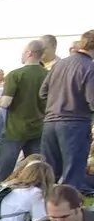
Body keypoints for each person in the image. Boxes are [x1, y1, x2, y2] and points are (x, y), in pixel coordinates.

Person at [38, 29, 94, 194]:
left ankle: (45, 210)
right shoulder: (89, 67)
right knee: (72, 173)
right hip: (75, 124)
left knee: (49, 173)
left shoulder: (59, 64)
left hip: (50, 123)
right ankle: (67, 212)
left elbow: (43, 92)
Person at [0, 40, 48, 182]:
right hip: (38, 128)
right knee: (36, 171)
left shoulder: (15, 74)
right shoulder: (47, 74)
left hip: (15, 130)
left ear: (29, 52)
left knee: (4, 171)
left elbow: (6, 102)